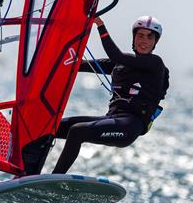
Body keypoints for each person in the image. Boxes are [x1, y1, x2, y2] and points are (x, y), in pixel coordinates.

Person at [49, 15, 170, 174]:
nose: (144, 40)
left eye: (150, 37)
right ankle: (29, 171)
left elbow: (117, 55)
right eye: (140, 35)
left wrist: (100, 25)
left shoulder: (155, 64)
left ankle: (55, 178)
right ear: (134, 38)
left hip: (129, 126)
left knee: (77, 131)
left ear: (156, 42)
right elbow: (74, 64)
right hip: (111, 119)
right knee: (52, 127)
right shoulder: (119, 64)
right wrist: (54, 49)